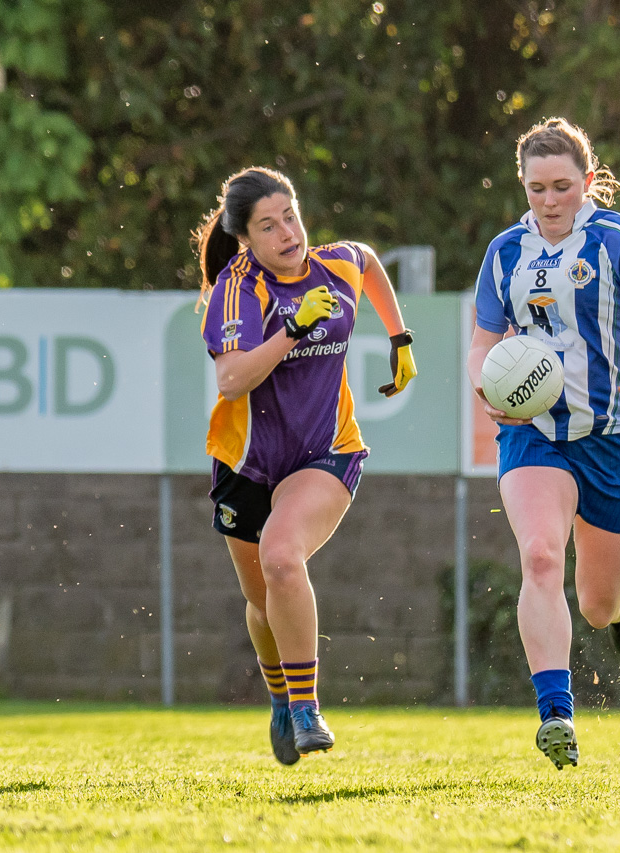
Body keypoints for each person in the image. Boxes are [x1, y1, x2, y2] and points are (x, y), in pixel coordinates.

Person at [466, 117, 620, 770]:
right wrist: (485, 386)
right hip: (537, 435)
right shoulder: (505, 252)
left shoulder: (618, 239)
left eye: (562, 185)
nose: (548, 200)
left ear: (587, 181)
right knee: (540, 556)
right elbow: (484, 341)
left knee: (597, 604)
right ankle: (556, 714)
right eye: (536, 187)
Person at [193, 166, 417, 765]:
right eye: (269, 226)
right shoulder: (237, 289)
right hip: (246, 462)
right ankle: (280, 699)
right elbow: (233, 378)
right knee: (263, 600)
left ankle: (307, 708)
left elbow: (368, 261)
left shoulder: (333, 264)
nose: (288, 232)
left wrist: (400, 340)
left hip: (326, 450)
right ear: (245, 238)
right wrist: (293, 327)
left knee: (282, 558)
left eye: (290, 215)